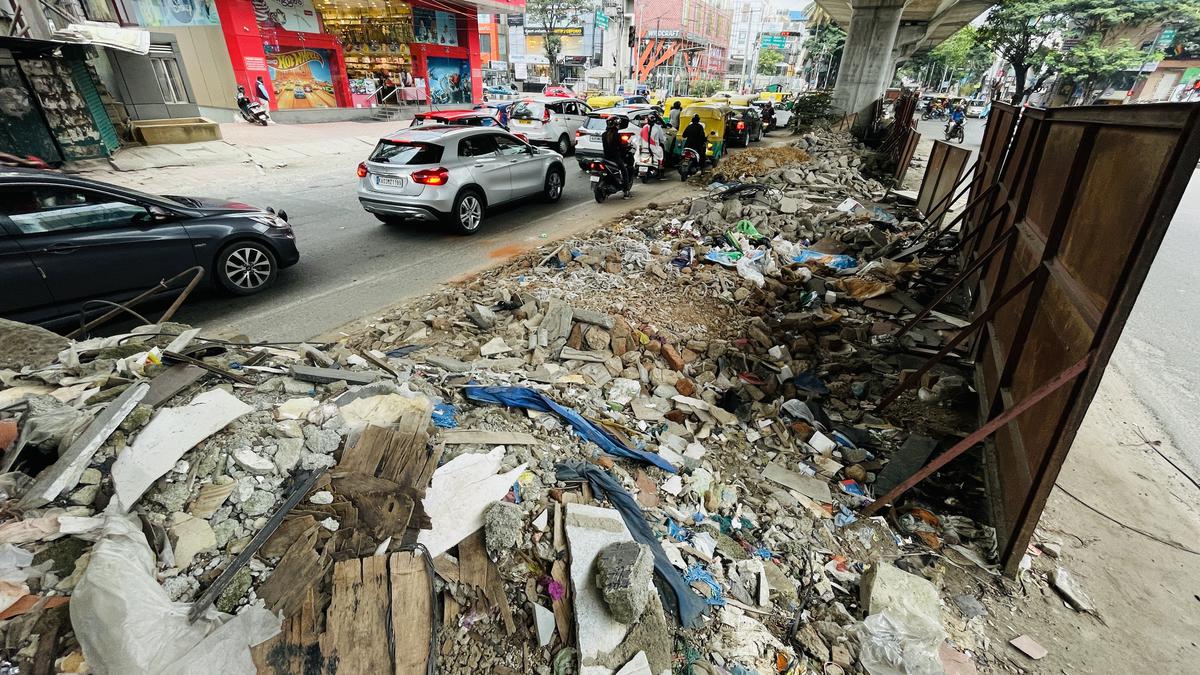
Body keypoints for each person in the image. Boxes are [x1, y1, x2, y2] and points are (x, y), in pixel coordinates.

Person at [602, 116, 632, 198]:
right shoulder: (616, 135)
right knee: (624, 171)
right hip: (615, 158)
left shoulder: (604, 135)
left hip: (606, 157)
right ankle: (626, 191)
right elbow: (621, 147)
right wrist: (626, 148)